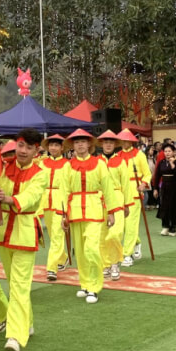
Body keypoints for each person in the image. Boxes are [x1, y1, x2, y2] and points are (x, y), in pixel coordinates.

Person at [0, 128, 48, 351]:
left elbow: (32, 196)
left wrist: (8, 199)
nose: (22, 150)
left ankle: (14, 336)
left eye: (28, 147)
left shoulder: (40, 174)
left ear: (36, 151)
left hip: (24, 232)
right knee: (14, 283)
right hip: (2, 231)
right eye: (20, 145)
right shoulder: (3, 167)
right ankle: (27, 322)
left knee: (19, 286)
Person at [59, 128, 119, 304]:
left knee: (91, 249)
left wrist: (111, 211)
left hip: (94, 209)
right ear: (73, 146)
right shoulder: (67, 166)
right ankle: (85, 284)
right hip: (75, 211)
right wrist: (63, 215)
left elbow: (107, 188)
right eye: (77, 142)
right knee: (80, 251)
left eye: (83, 142)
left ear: (89, 144)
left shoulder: (99, 164)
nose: (80, 145)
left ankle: (94, 286)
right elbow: (64, 191)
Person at [117, 129, 152, 265]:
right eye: (122, 140)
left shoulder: (139, 155)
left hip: (134, 190)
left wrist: (143, 184)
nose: (124, 142)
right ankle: (136, 242)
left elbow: (147, 174)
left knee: (131, 223)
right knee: (123, 225)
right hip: (120, 192)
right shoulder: (117, 156)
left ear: (131, 141)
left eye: (126, 140)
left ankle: (127, 254)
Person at [97, 130, 127, 281]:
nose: (108, 145)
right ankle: (105, 264)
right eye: (105, 142)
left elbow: (126, 184)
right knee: (102, 235)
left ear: (115, 145)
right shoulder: (96, 161)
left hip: (117, 198)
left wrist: (127, 203)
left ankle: (115, 263)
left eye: (111, 142)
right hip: (99, 200)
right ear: (102, 144)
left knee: (115, 233)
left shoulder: (121, 161)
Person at [39, 134, 70, 281]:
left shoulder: (67, 164)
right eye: (51, 145)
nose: (53, 148)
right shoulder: (42, 163)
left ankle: (51, 268)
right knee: (53, 235)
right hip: (46, 201)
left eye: (56, 145)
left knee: (57, 235)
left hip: (60, 201)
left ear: (62, 148)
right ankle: (63, 258)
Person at [152, 143, 176, 236]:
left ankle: (173, 227)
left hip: (174, 186)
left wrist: (172, 163)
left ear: (173, 152)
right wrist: (155, 188)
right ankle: (165, 226)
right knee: (164, 206)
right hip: (164, 186)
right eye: (165, 151)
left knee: (174, 206)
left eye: (169, 151)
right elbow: (157, 176)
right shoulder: (161, 162)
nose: (167, 153)